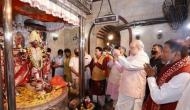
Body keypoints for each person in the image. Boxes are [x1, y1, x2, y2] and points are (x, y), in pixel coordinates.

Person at [142, 39, 190, 110]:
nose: (161, 54)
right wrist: (155, 76)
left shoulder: (184, 74)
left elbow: (159, 97)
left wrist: (151, 77)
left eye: (165, 52)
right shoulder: (174, 64)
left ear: (177, 54)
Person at [114, 40, 149, 110]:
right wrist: (115, 61)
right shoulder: (131, 57)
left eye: (132, 47)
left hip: (133, 92)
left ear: (139, 48)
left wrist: (119, 56)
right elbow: (122, 69)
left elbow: (130, 66)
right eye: (130, 47)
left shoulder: (143, 57)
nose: (130, 49)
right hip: (125, 89)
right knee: (120, 107)